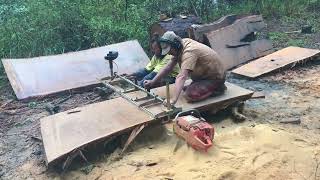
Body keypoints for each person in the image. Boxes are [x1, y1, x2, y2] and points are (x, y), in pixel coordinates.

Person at [144, 31, 226, 106]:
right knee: (183, 88)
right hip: (203, 76)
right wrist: (152, 82)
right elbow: (168, 67)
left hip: (214, 78)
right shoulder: (181, 45)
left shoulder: (189, 51)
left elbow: (182, 76)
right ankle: (208, 87)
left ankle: (218, 88)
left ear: (175, 45)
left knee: (189, 95)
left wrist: (173, 100)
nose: (169, 53)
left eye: (170, 51)